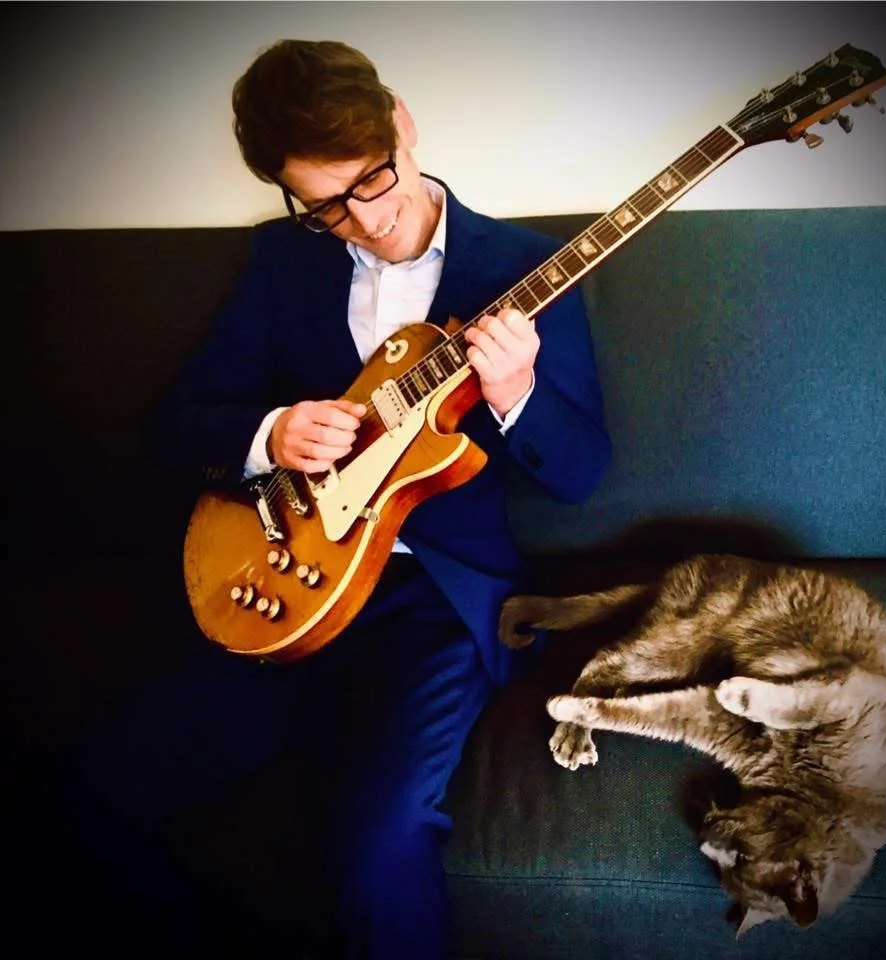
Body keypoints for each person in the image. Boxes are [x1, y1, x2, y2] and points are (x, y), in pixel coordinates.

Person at [72, 39, 611, 959]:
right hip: (282, 576)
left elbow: (582, 473)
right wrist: (271, 433)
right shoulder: (281, 261)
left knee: (378, 845)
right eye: (325, 206)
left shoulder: (527, 270)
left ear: (401, 123)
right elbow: (178, 422)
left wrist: (517, 392)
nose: (362, 220)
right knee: (96, 794)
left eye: (370, 180)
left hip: (431, 601)